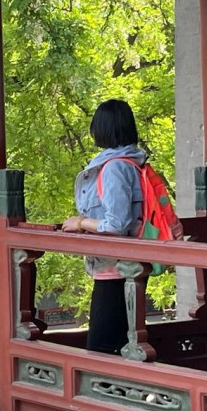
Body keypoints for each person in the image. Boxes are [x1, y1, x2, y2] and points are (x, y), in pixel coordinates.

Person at [62, 99, 145, 354]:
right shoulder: (133, 162)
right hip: (128, 267)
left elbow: (116, 224)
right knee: (119, 346)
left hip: (115, 270)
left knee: (101, 349)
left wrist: (80, 223)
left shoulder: (114, 168)